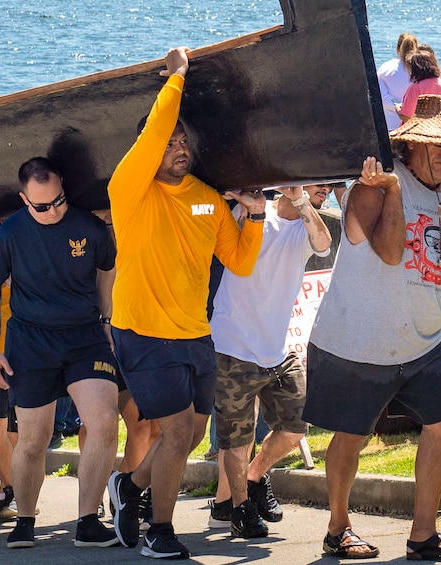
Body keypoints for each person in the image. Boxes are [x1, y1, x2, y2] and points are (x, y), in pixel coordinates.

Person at [303, 94, 441, 561]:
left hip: (422, 342)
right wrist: (397, 192)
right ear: (410, 145)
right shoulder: (374, 187)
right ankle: (338, 527)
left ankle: (423, 534)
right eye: (436, 145)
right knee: (353, 434)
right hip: (360, 340)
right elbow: (389, 251)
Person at [106, 47, 266, 560]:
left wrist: (258, 217)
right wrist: (176, 76)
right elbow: (154, 131)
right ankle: (160, 531)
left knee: (194, 433)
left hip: (195, 333)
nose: (177, 145)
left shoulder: (206, 199)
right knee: (175, 429)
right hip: (143, 332)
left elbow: (239, 262)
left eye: (182, 140)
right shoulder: (128, 189)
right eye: (168, 139)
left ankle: (129, 487)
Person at [0, 156, 119, 548]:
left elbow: (107, 268)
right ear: (24, 200)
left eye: (59, 201)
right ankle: (24, 519)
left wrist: (108, 318)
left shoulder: (89, 226)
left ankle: (88, 520)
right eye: (42, 206)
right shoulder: (9, 235)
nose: (54, 210)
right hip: (30, 342)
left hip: (85, 337)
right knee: (34, 440)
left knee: (104, 423)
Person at [207, 184, 332, 538]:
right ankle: (240, 509)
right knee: (236, 438)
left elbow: (323, 245)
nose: (325, 188)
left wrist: (302, 198)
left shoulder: (308, 225)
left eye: (329, 185)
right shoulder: (250, 211)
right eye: (317, 182)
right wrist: (262, 201)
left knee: (295, 428)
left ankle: (254, 475)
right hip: (233, 345)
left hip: (277, 350)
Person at [377, 32, 418, 131]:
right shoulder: (422, 69)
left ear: (397, 48)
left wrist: (399, 105)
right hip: (415, 128)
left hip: (390, 125)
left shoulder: (385, 69)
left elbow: (382, 97)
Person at [399, 49, 441, 122]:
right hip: (437, 128)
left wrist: (398, 109)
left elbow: (407, 117)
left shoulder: (416, 87)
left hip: (418, 130)